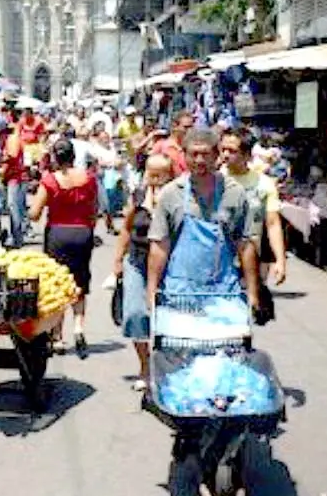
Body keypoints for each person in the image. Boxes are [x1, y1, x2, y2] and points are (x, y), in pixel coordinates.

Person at [146, 128, 260, 338]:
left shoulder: (234, 193)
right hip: (180, 293)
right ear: (184, 156)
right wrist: (152, 292)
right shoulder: (171, 194)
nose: (199, 160)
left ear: (217, 156)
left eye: (206, 154)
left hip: (224, 291)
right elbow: (160, 246)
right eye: (193, 154)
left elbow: (245, 244)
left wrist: (253, 293)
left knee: (227, 354)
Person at [29, 139, 99, 359]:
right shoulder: (88, 178)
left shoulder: (50, 181)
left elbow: (34, 213)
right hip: (82, 232)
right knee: (79, 282)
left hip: (58, 233)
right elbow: (94, 208)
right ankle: (78, 327)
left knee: (57, 283)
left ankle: (58, 336)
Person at [114, 153, 173, 392]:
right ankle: (145, 365)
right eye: (152, 173)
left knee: (167, 320)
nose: (156, 179)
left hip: (167, 265)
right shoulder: (138, 196)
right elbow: (127, 229)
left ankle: (167, 367)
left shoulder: (176, 197)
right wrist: (117, 260)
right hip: (137, 261)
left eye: (162, 174)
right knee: (135, 314)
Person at [220, 128, 288, 286]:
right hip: (218, 258)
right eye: (223, 149)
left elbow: (272, 224)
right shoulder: (214, 181)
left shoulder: (264, 184)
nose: (225, 155)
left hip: (251, 259)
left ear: (246, 155)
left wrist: (280, 260)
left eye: (232, 151)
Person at [0, 119, 30, 248]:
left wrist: (1, 165)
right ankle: (17, 236)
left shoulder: (12, 140)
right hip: (16, 177)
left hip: (15, 178)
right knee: (16, 207)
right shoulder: (15, 140)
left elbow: (11, 156)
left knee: (14, 207)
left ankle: (17, 237)